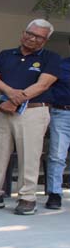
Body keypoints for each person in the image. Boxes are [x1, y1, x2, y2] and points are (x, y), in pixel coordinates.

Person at [0, 19, 60, 215]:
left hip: (34, 111)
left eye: (38, 36)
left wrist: (17, 100)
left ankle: (27, 197)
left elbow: (43, 84)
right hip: (3, 110)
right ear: (23, 32)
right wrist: (11, 93)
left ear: (45, 40)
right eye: (29, 33)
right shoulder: (6, 54)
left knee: (29, 155)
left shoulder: (51, 57)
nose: (31, 38)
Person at [46, 40, 70, 210]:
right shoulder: (59, 66)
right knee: (57, 156)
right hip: (62, 114)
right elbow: (46, 88)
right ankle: (55, 194)